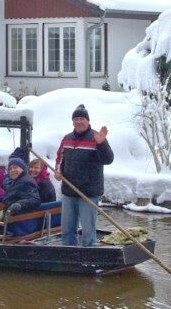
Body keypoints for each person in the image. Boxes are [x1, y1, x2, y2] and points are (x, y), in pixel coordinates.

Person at [54, 104, 113, 247]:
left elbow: (108, 159)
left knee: (88, 231)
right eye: (76, 119)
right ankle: (68, 253)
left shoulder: (96, 137)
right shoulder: (67, 138)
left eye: (82, 119)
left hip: (88, 193)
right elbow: (60, 158)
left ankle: (90, 253)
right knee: (67, 229)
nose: (79, 122)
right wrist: (58, 170)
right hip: (68, 192)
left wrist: (102, 143)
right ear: (73, 121)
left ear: (88, 121)